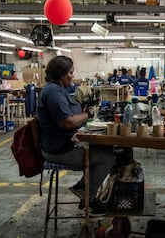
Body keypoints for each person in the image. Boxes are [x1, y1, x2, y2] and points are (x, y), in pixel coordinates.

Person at [36, 56, 114, 217]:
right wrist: (87, 115)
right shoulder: (53, 92)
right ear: (61, 73)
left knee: (105, 147)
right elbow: (67, 122)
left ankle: (83, 187)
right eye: (71, 72)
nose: (73, 76)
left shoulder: (57, 90)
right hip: (59, 150)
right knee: (107, 158)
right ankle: (88, 197)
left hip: (62, 144)